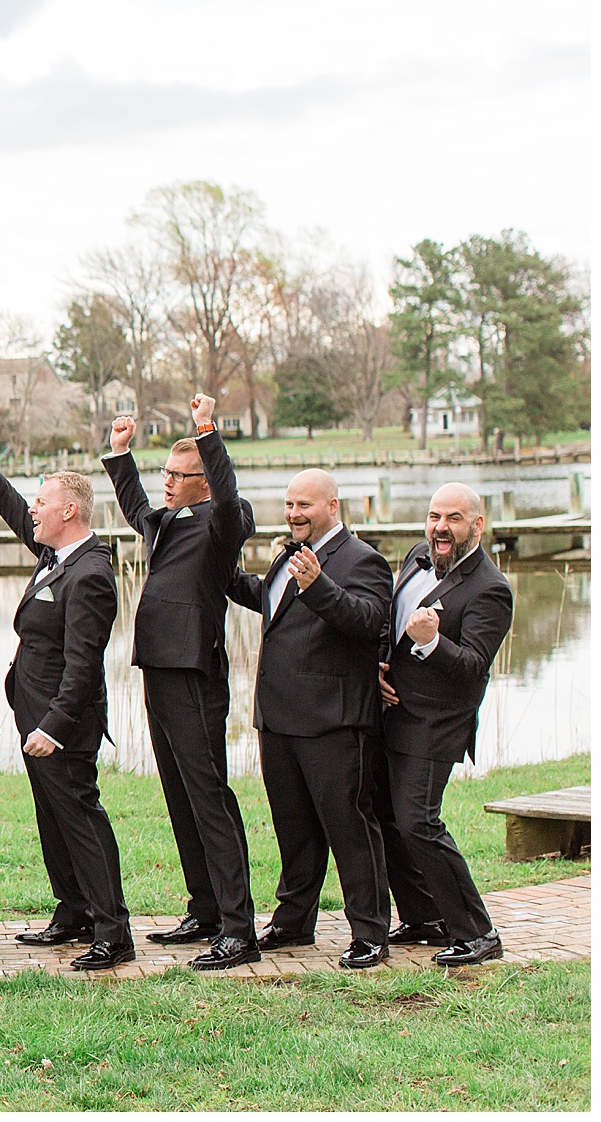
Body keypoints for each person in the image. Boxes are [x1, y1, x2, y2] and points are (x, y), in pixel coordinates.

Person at [101, 396, 259, 970]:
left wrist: (209, 432)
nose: (166, 483)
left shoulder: (225, 523)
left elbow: (229, 490)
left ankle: (239, 929)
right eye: (164, 473)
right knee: (177, 792)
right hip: (155, 667)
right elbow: (135, 504)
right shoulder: (166, 523)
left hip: (194, 668)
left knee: (208, 794)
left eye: (177, 476)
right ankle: (206, 908)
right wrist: (121, 455)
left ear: (203, 483)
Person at [0, 442, 132, 971]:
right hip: (34, 713)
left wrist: (55, 727)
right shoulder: (56, 557)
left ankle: (113, 930)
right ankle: (73, 911)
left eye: (42, 502)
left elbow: (83, 665)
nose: (32, 509)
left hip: (65, 722)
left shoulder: (92, 574)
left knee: (80, 817)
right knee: (52, 818)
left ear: (69, 511)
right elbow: (18, 515)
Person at [227, 469, 394, 970]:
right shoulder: (287, 556)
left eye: (305, 505)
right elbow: (268, 601)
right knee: (293, 828)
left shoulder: (364, 560)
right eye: (289, 504)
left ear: (333, 507)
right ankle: (294, 920)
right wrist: (222, 570)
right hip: (278, 717)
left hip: (334, 721)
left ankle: (369, 933)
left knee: (350, 829)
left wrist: (319, 586)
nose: (295, 513)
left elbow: (369, 622)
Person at [376, 484, 513, 967]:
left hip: (436, 724)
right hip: (391, 714)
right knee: (388, 819)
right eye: (435, 515)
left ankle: (478, 932)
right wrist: (380, 665)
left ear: (476, 526)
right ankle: (423, 916)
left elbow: (474, 665)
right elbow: (390, 625)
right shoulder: (417, 555)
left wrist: (433, 642)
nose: (440, 527)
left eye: (453, 518)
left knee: (420, 823)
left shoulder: (490, 588)